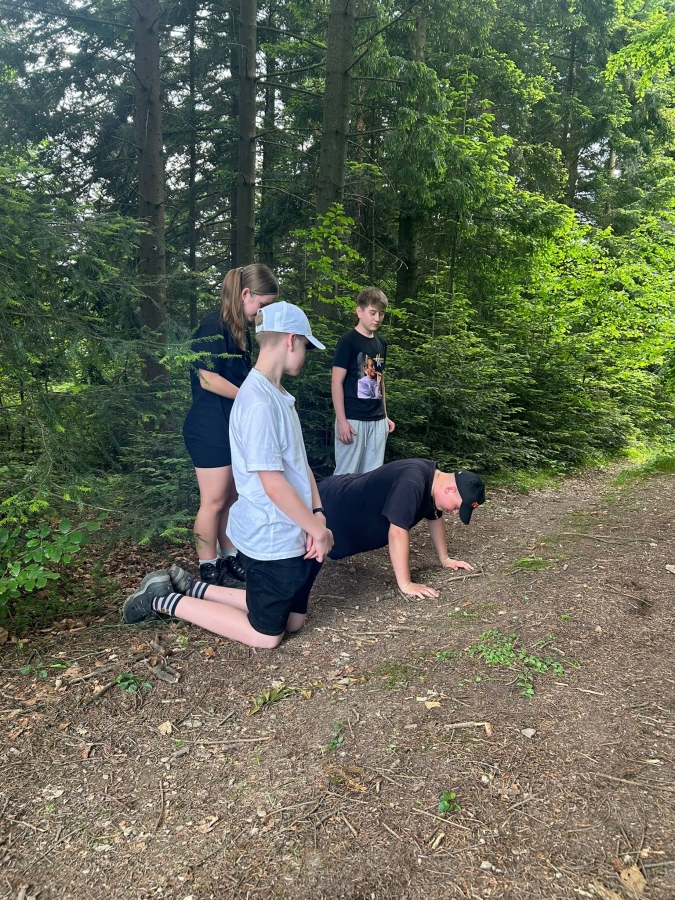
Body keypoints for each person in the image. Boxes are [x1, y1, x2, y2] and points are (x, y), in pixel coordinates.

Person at [124, 302, 334, 650]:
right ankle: (162, 600)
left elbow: (301, 466)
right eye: (306, 346)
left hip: (294, 530)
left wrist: (317, 515)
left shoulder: (279, 395)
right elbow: (273, 485)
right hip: (272, 538)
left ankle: (193, 587)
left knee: (295, 621)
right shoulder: (258, 402)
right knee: (267, 636)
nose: (305, 356)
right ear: (291, 340)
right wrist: (318, 531)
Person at [182, 264, 278, 586]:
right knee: (213, 501)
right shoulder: (212, 326)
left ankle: (229, 557)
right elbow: (207, 379)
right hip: (208, 427)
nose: (261, 314)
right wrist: (249, 397)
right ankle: (208, 566)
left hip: (231, 427)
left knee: (232, 498)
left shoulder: (239, 333)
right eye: (261, 305)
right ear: (245, 294)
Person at [318, 460, 486, 598]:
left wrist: (445, 559)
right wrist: (406, 584)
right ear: (450, 489)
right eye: (457, 507)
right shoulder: (412, 482)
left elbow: (435, 516)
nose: (455, 513)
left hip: (345, 513)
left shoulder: (432, 481)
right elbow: (397, 531)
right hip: (332, 503)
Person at [332, 287, 395, 475]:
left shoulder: (381, 343)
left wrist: (385, 416)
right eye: (372, 313)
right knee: (346, 476)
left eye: (381, 314)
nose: (377, 318)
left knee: (372, 477)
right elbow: (336, 382)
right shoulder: (348, 341)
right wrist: (342, 421)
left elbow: (380, 382)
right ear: (359, 312)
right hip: (353, 419)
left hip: (377, 421)